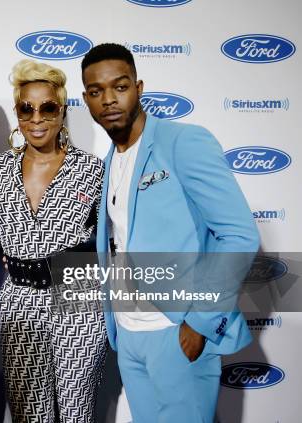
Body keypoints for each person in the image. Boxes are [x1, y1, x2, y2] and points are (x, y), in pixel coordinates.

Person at [81, 43, 260, 422]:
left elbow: (239, 235)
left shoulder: (183, 142)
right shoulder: (112, 158)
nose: (109, 100)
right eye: (96, 92)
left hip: (176, 331)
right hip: (129, 333)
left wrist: (199, 322)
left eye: (120, 86)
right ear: (86, 99)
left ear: (139, 87)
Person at [0, 59, 108, 422]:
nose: (36, 117)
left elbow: (116, 237)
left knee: (77, 413)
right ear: (17, 112)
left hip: (78, 304)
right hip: (20, 304)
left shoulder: (93, 169)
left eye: (47, 107)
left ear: (62, 111)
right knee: (28, 415)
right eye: (26, 108)